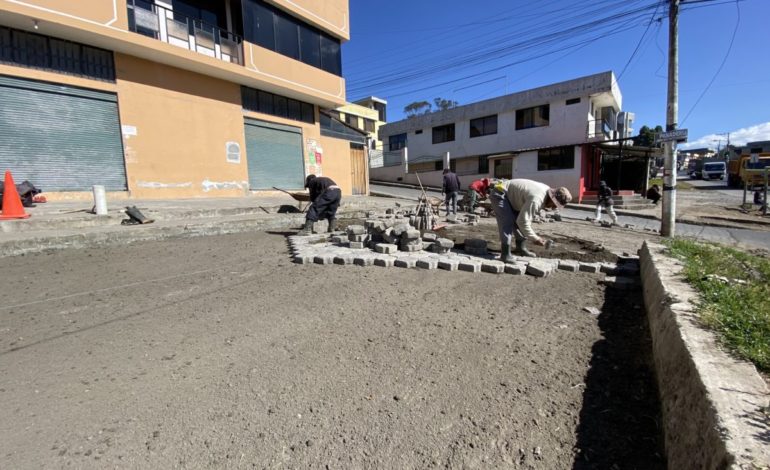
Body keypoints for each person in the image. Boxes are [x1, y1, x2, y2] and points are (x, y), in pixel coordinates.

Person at [487, 178, 572, 260]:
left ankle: (521, 248)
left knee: (518, 222)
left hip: (512, 198)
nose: (553, 208)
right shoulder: (537, 200)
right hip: (500, 193)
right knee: (507, 222)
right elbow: (523, 222)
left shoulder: (545, 193)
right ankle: (505, 254)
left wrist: (532, 236)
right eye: (554, 204)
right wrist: (535, 238)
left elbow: (524, 220)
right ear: (551, 198)